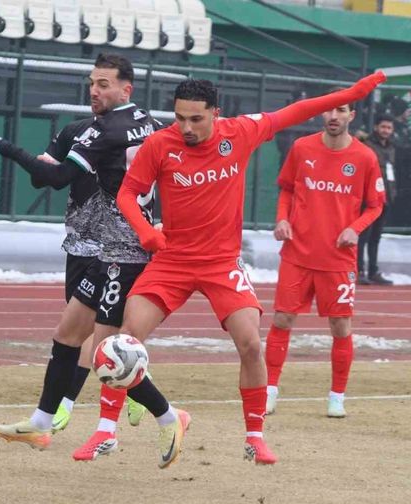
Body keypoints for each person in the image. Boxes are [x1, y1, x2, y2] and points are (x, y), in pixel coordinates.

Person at [115, 73, 387, 465]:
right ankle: (121, 427)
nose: (186, 127)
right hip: (172, 260)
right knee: (125, 341)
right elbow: (127, 192)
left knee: (251, 344)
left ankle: (255, 437)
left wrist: (353, 92)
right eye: (180, 118)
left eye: (196, 119)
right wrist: (145, 231)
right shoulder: (160, 144)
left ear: (215, 114)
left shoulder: (241, 132)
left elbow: (297, 111)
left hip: (222, 263)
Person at [0, 54, 185, 468]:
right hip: (109, 248)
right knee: (68, 335)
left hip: (124, 255)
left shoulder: (103, 130)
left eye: (104, 84)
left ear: (126, 88)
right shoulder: (149, 121)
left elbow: (53, 179)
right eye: (92, 83)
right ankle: (40, 422)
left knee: (109, 352)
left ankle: (169, 417)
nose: (94, 90)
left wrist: (6, 147)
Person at [264, 89, 386, 420]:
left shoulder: (365, 157)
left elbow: (375, 206)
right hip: (298, 252)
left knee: (340, 326)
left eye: (341, 110)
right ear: (322, 114)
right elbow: (287, 189)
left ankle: (336, 396)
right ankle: (270, 391)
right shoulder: (302, 148)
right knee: (282, 319)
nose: (334, 116)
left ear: (351, 116)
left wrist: (354, 228)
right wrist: (282, 219)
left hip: (338, 259)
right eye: (329, 111)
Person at [358, 113, 395, 286]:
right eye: (383, 127)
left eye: (389, 128)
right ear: (376, 127)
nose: (386, 131)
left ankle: (373, 270)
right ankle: (358, 270)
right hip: (368, 198)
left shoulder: (391, 148)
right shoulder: (366, 145)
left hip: (385, 197)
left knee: (376, 237)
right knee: (363, 235)